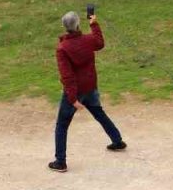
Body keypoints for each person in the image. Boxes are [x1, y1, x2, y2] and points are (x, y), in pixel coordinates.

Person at [50, 11, 125, 173]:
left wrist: (72, 99)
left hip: (76, 91)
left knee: (62, 125)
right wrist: (93, 22)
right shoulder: (87, 40)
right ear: (78, 25)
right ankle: (117, 141)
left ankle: (60, 161)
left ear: (64, 27)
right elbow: (99, 42)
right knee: (99, 114)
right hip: (91, 86)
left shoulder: (63, 48)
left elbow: (67, 76)